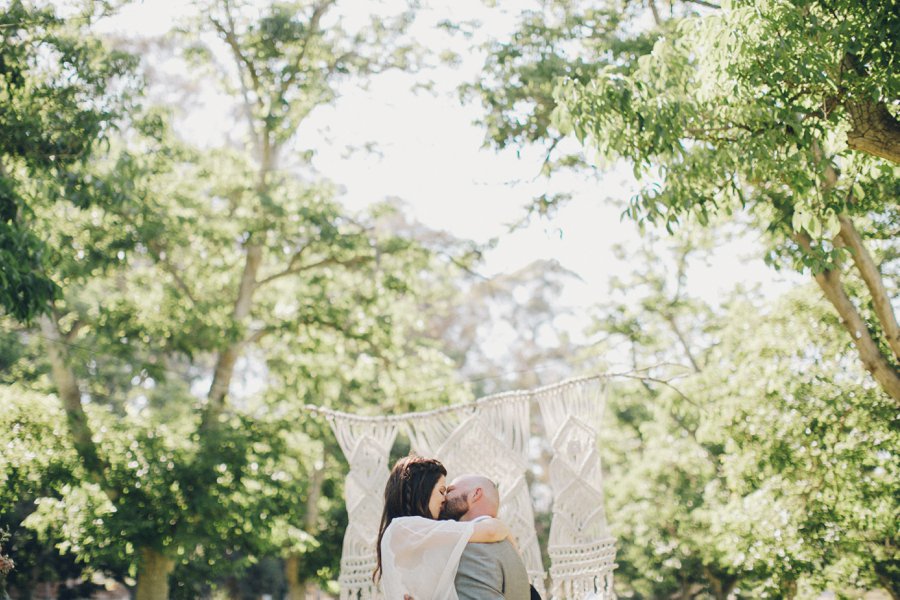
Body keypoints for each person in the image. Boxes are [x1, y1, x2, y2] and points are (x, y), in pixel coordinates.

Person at [375, 456, 512, 600]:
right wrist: (504, 530)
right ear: (422, 490)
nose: (444, 499)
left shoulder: (421, 536)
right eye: (441, 491)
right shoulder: (404, 528)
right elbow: (491, 531)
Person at [439, 475, 533, 600]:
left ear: (475, 494)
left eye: (450, 491)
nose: (444, 498)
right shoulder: (509, 546)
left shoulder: (472, 545)